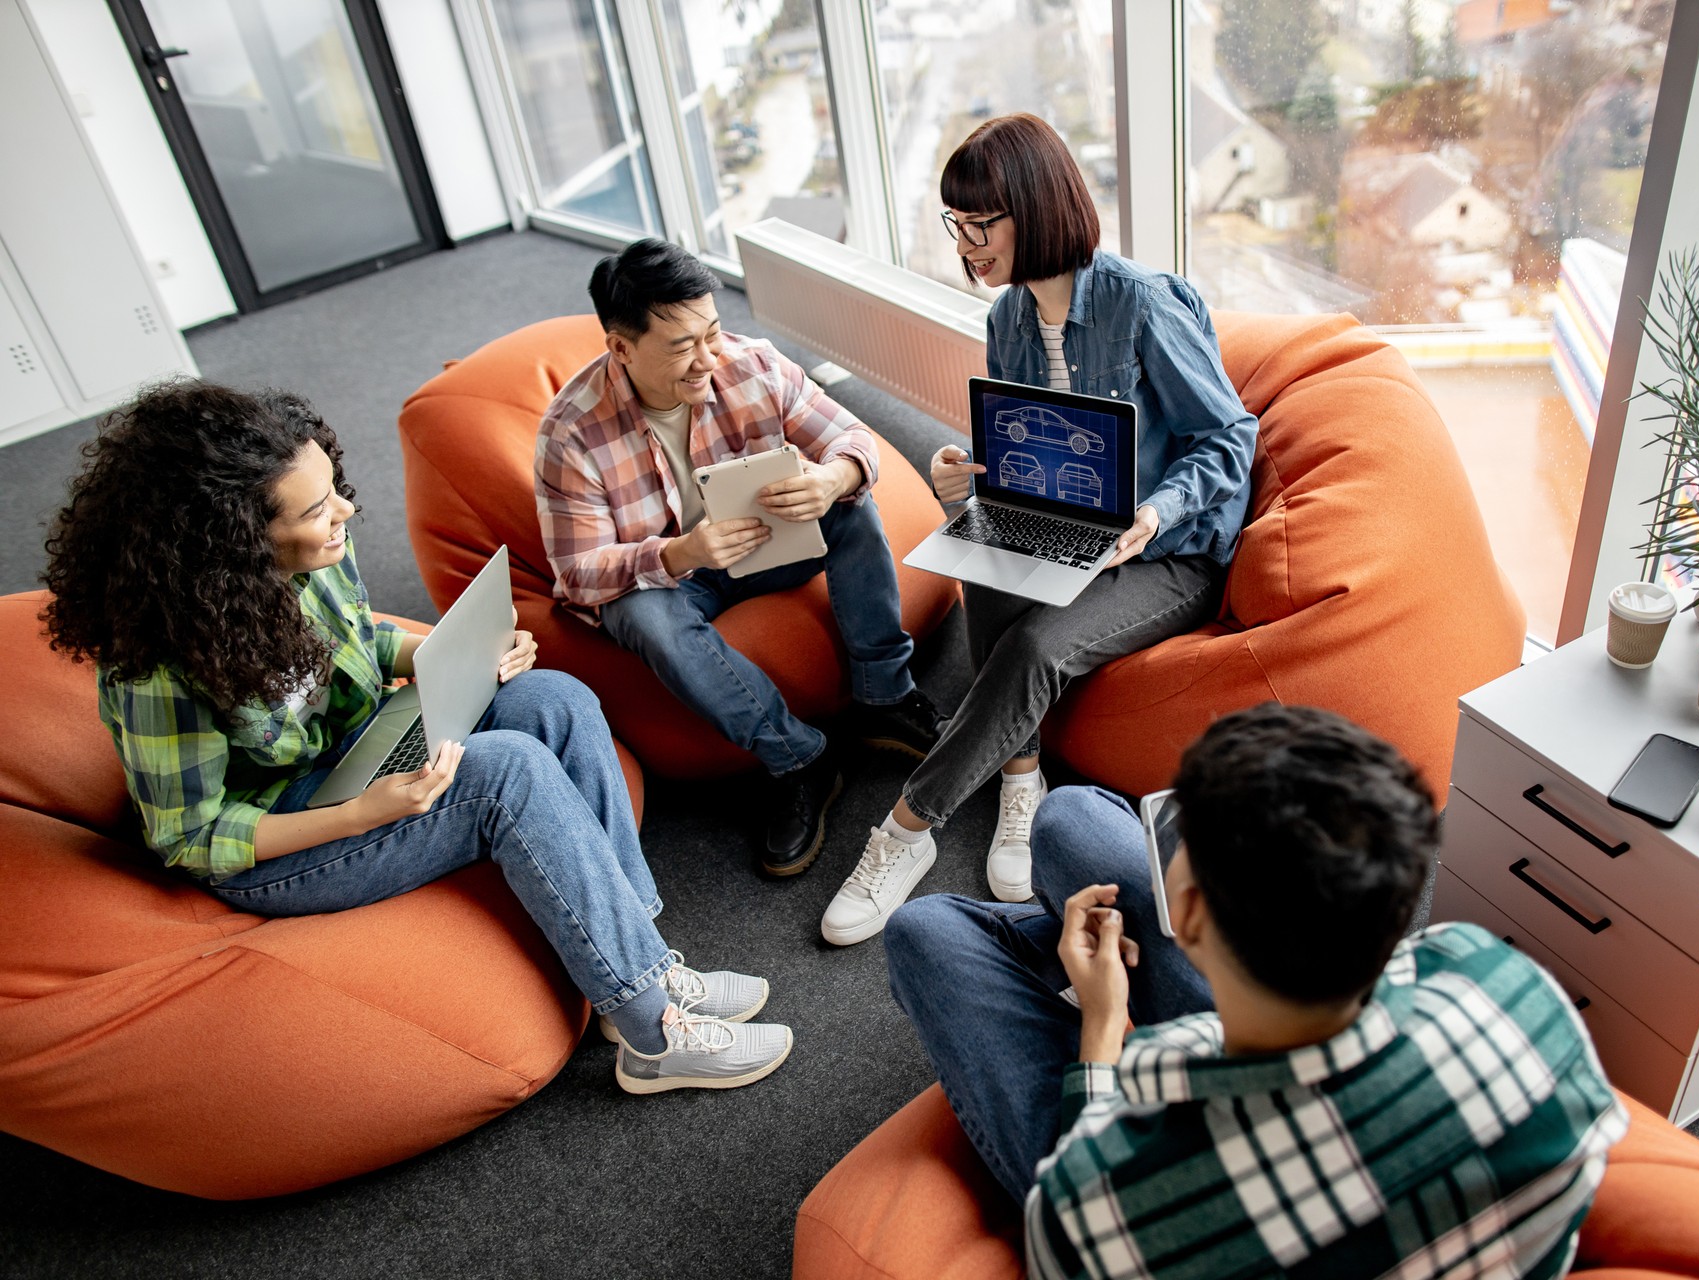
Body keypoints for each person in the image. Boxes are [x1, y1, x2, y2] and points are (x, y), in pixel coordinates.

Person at [42, 381, 793, 1096]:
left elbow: (366, 641)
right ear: (233, 540)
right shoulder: (155, 670)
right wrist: (361, 815)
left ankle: (637, 973)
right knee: (505, 773)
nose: (342, 512)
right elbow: (191, 835)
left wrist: (453, 657)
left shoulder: (319, 561)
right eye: (313, 509)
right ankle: (653, 1039)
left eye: (333, 488)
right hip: (280, 837)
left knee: (552, 698)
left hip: (360, 748)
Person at [885, 703, 1627, 1278]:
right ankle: (1062, 951)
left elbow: (1077, 1196)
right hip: (1343, 1071)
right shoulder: (1505, 981)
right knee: (1070, 818)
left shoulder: (1098, 1207)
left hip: (1174, 1180)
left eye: (1182, 839)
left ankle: (1058, 969)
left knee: (925, 932)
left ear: (1196, 916)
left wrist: (1105, 1027)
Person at [820, 113, 1258, 946]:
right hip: (1062, 523)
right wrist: (967, 472)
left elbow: (1231, 437)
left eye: (982, 222)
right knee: (978, 553)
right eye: (957, 222)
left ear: (1036, 208)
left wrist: (1154, 510)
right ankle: (1022, 775)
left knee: (1032, 648)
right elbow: (1026, 442)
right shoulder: (1008, 320)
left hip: (1165, 549)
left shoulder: (1143, 305)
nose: (966, 242)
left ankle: (905, 832)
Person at [535, 238, 946, 877]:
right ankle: (799, 758)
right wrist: (676, 553)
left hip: (768, 546)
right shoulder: (570, 432)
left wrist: (833, 478)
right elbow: (576, 573)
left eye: (713, 333)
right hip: (676, 577)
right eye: (682, 347)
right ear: (621, 346)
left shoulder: (753, 364)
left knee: (852, 502)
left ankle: (884, 695)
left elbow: (853, 438)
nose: (709, 358)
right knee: (641, 616)